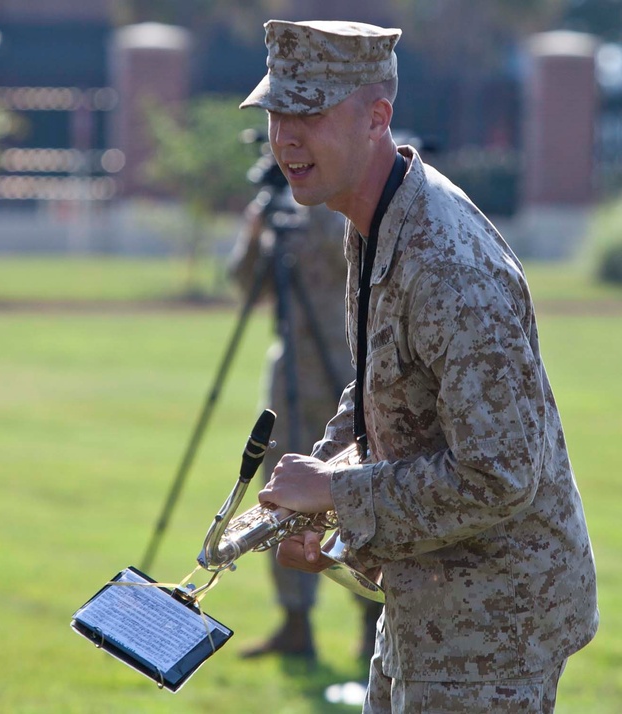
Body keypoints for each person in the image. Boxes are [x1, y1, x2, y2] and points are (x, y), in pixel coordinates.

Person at [240, 19, 598, 712]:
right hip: (428, 603)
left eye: (309, 111)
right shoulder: (376, 215)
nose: (284, 137)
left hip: (492, 632)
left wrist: (339, 497)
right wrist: (318, 492)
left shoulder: (446, 265)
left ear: (378, 117)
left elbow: (500, 474)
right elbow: (385, 382)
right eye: (276, 110)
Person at [227, 157, 380, 661]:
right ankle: (295, 623)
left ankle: (373, 625)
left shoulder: (339, 210)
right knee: (281, 493)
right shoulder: (275, 217)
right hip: (290, 374)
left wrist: (308, 210)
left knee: (362, 491)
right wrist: (258, 226)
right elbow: (245, 280)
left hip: (348, 373)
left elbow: (352, 259)